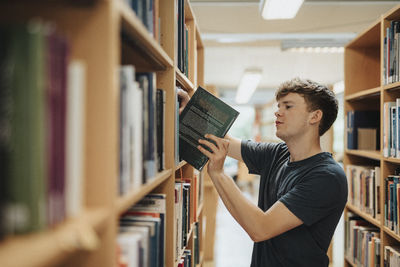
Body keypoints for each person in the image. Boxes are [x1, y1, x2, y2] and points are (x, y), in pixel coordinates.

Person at [177, 78, 347, 267]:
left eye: (288, 107)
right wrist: (189, 111)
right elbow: (220, 139)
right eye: (278, 106)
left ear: (314, 117)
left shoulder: (326, 177)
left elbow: (260, 228)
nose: (277, 112)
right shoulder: (278, 154)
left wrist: (219, 174)